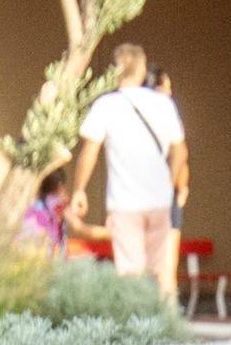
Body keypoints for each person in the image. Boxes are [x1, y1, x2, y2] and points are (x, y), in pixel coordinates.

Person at [79, 44, 185, 286]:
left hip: (124, 201)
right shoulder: (163, 104)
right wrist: (168, 182)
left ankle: (135, 320)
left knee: (130, 274)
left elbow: (89, 151)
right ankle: (164, 321)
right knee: (163, 271)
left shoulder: (106, 105)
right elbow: (180, 151)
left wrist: (79, 189)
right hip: (159, 200)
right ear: (141, 71)